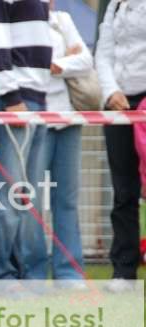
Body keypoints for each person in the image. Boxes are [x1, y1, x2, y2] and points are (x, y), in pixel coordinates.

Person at [0, 0, 52, 293]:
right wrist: (11, 97)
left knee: (28, 197)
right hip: (13, 98)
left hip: (34, 97)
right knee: (5, 194)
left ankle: (26, 278)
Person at [29, 1, 93, 287]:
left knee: (66, 200)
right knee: (30, 202)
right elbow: (28, 65)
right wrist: (67, 60)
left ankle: (69, 272)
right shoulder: (20, 21)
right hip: (35, 119)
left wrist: (58, 65)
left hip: (68, 119)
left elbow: (86, 60)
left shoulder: (63, 19)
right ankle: (34, 273)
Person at [96, 0, 146, 291]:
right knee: (123, 190)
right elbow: (103, 53)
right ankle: (124, 272)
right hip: (119, 104)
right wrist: (110, 90)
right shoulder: (113, 4)